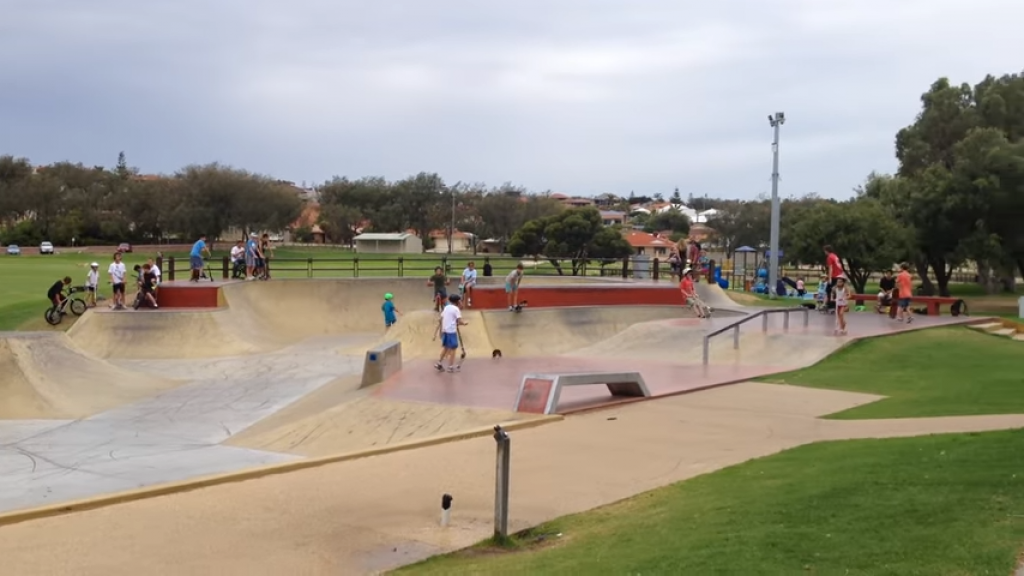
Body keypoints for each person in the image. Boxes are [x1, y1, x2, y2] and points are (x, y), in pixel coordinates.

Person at [435, 293, 468, 373]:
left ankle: (439, 363)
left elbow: (441, 318)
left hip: (445, 330)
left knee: (446, 347)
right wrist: (464, 323)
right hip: (451, 331)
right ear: (457, 301)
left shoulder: (446, 307)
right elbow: (459, 321)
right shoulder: (456, 309)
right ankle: (450, 366)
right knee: (453, 348)